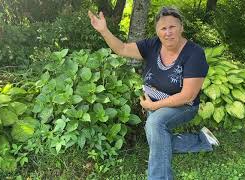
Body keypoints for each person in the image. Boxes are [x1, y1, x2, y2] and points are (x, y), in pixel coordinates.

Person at [88, 6, 220, 180]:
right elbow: (122, 49)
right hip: (153, 102)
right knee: (158, 138)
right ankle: (202, 140)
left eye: (172, 27)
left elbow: (188, 96)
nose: (168, 32)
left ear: (181, 27)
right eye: (163, 28)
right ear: (157, 31)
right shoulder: (152, 45)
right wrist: (104, 31)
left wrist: (153, 106)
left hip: (183, 106)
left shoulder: (194, 53)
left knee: (154, 125)